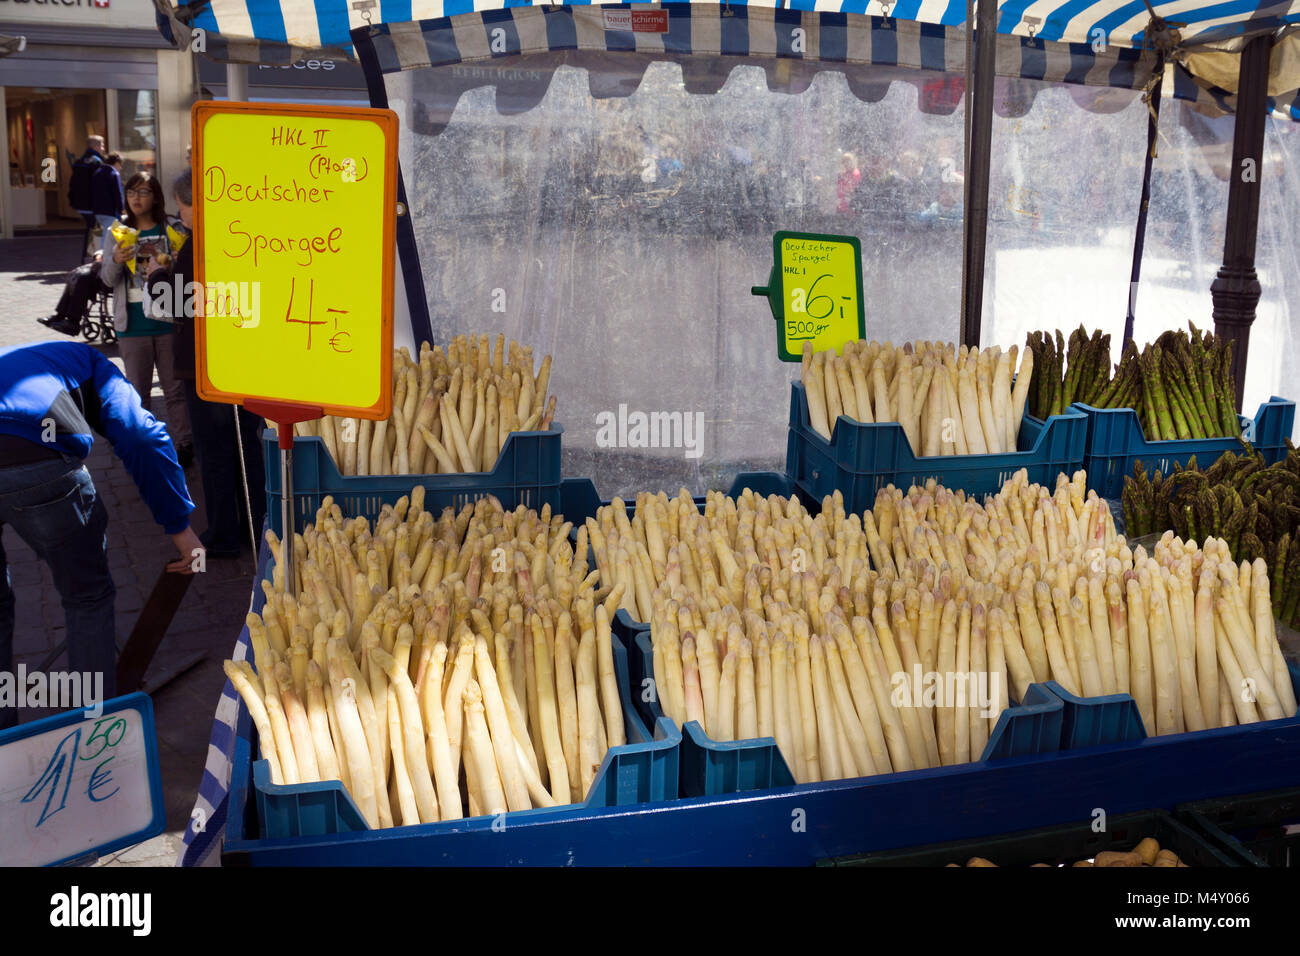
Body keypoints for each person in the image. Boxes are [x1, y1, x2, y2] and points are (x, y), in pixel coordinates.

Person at [0, 341, 201, 729]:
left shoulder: (26, 362)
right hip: (36, 462)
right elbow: (140, 435)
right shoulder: (93, 365)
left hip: (25, 444)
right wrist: (181, 530)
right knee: (86, 596)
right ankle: (91, 728)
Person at [150, 170, 266, 558]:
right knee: (247, 446)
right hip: (244, 359)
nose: (180, 217)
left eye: (183, 208)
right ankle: (257, 523)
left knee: (215, 451)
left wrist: (155, 278)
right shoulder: (241, 235)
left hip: (205, 365)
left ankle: (224, 532)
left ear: (197, 205)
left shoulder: (199, 245)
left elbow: (179, 305)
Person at [100, 171, 194, 468]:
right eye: (131, 193)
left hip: (168, 322)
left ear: (155, 195)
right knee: (138, 391)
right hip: (134, 326)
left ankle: (184, 444)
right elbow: (105, 279)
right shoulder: (118, 232)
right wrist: (114, 260)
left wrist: (178, 258)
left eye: (142, 192)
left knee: (175, 389)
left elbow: (186, 276)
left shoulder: (173, 228)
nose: (136, 199)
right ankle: (145, 445)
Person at [68, 135, 105, 263]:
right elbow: (99, 186)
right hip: (92, 204)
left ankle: (88, 258)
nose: (103, 148)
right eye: (102, 145)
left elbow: (73, 183)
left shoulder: (79, 161)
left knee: (90, 231)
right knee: (94, 233)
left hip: (81, 204)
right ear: (96, 146)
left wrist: (73, 200)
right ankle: (90, 259)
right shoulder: (96, 162)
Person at [91, 151, 125, 234]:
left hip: (97, 211)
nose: (121, 168)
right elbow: (118, 194)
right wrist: (121, 209)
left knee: (104, 235)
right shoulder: (114, 174)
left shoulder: (97, 172)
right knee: (107, 237)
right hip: (110, 212)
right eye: (120, 165)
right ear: (117, 162)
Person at [836, 151, 862, 216]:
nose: (846, 164)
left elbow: (850, 190)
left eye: (848, 161)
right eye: (844, 162)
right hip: (840, 207)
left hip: (850, 209)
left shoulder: (855, 174)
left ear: (853, 162)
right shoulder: (843, 174)